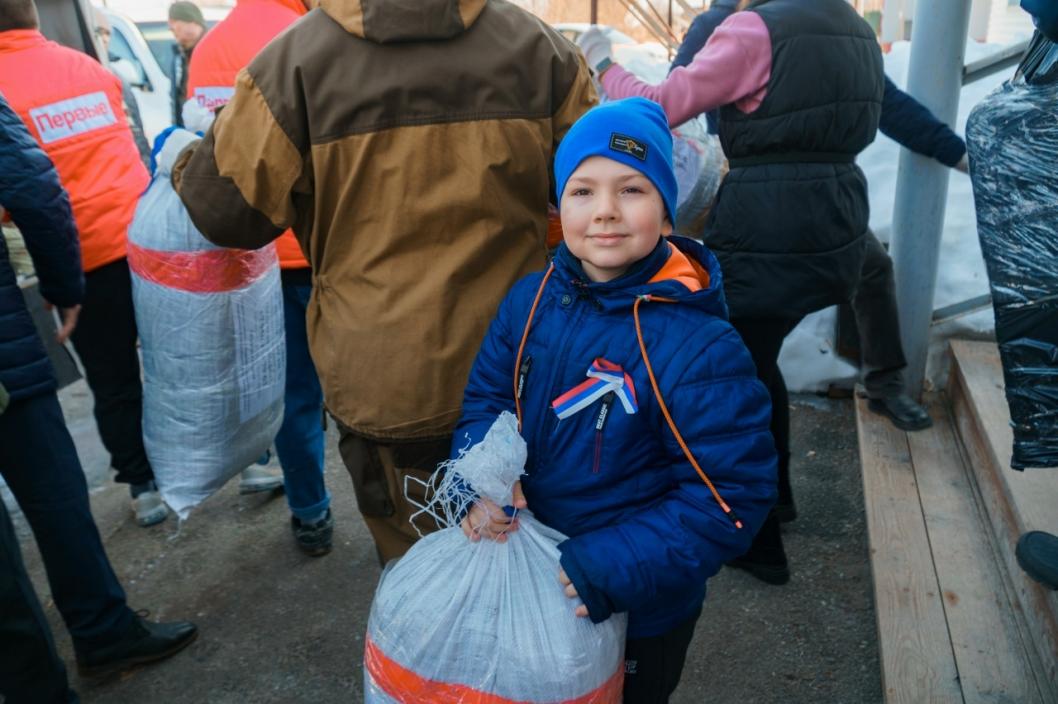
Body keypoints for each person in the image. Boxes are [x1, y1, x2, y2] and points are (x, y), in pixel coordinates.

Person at [172, 0, 597, 563]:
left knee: (421, 572)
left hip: (390, 384)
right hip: (524, 366)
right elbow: (601, 190)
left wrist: (184, 156)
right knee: (544, 562)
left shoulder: (292, 65)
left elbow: (227, 215)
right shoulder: (537, 48)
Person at [456, 98, 777, 703]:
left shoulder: (699, 347)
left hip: (636, 607)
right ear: (560, 206)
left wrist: (613, 565)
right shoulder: (530, 300)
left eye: (631, 189)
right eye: (583, 191)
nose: (605, 210)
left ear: (666, 210)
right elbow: (487, 400)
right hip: (527, 572)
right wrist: (480, 480)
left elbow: (731, 497)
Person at [579, 0, 884, 584]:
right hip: (837, 216)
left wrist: (603, 63)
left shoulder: (756, 29)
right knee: (758, 362)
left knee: (734, 384)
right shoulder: (855, 28)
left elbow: (661, 106)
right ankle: (778, 497)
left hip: (768, 227)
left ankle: (758, 540)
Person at [665, 1, 969, 433]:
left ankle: (884, 383)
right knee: (750, 336)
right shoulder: (723, 22)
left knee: (873, 268)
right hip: (743, 187)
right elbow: (675, 98)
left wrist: (955, 152)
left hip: (821, 193)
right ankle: (744, 444)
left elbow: (890, 103)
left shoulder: (833, 26)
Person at [0, 90, 196, 698]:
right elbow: (34, 186)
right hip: (10, 351)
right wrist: (63, 287)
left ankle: (32, 683)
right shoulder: (82, 72)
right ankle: (99, 634)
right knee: (52, 494)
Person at [0, 0, 168, 526]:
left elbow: (20, 195)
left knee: (113, 380)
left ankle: (144, 486)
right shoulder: (88, 67)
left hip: (85, 257)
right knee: (178, 360)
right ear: (33, 15)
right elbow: (131, 144)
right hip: (146, 237)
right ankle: (231, 458)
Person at [184, 0, 331, 555]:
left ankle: (311, 511)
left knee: (291, 394)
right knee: (366, 380)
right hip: (327, 249)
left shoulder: (207, 51)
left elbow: (207, 155)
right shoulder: (315, 36)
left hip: (257, 257)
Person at [167, 1, 205, 127]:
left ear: (192, 22)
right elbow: (176, 98)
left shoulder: (211, 50)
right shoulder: (178, 54)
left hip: (206, 128)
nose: (170, 27)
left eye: (174, 21)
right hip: (186, 128)